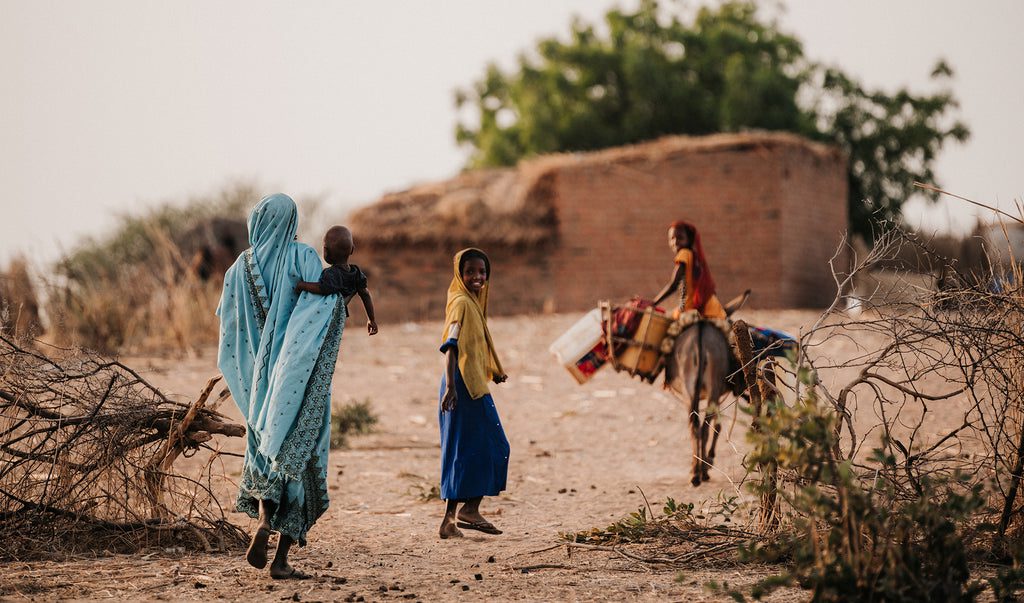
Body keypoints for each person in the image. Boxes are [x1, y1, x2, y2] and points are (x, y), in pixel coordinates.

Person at [216, 194, 349, 579]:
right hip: (297, 380)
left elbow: (229, 330)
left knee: (263, 451)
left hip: (258, 392)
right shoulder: (303, 256)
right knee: (301, 460)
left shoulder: (238, 269)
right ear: (292, 221)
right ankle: (281, 559)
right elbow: (322, 304)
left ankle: (261, 522)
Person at [437, 248, 510, 539]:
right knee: (497, 447)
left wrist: (493, 370)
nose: (477, 277)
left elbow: (474, 346)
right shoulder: (462, 304)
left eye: (482, 272)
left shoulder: (472, 303)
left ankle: (448, 522)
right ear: (460, 274)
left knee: (460, 450)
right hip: (462, 386)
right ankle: (470, 510)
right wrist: (453, 388)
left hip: (468, 382)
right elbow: (450, 346)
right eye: (470, 272)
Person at [294, 225, 378, 336]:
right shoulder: (356, 272)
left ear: (326, 251)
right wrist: (371, 319)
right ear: (352, 249)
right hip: (340, 318)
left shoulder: (332, 273)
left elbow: (322, 288)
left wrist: (302, 285)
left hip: (327, 317)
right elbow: (365, 294)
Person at [653, 220, 727, 320]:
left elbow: (673, 284)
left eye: (680, 238)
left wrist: (654, 302)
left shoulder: (684, 254)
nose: (675, 242)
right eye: (672, 238)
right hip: (711, 307)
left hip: (690, 308)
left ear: (689, 240)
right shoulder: (695, 257)